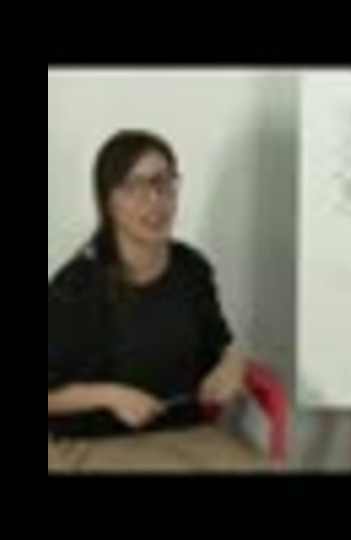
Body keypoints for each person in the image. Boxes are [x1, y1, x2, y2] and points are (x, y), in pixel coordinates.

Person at [48, 129, 257, 472]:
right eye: (135, 187)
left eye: (164, 183)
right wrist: (111, 396)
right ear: (108, 201)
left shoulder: (191, 268)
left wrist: (232, 366)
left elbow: (222, 344)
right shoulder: (76, 286)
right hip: (95, 445)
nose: (155, 200)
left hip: (186, 437)